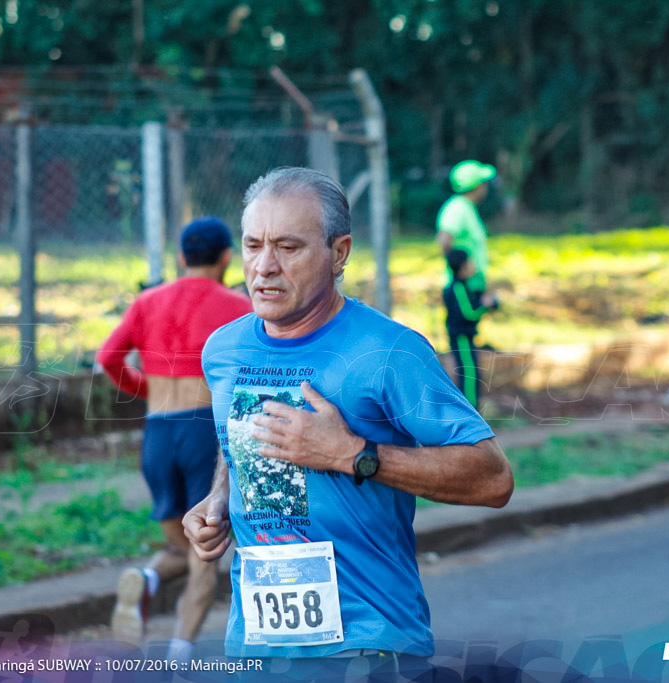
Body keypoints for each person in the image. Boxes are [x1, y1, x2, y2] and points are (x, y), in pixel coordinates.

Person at [183, 167, 514, 671]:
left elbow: (493, 478)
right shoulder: (224, 349)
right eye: (253, 245)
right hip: (256, 645)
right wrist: (220, 498)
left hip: (367, 646)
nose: (264, 267)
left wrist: (352, 455)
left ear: (339, 253)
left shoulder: (388, 351)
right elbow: (239, 445)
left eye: (288, 248)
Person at [97, 216, 252, 653]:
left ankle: (146, 579)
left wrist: (149, 390)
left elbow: (108, 358)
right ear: (226, 257)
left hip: (157, 432)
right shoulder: (239, 307)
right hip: (204, 430)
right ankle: (179, 651)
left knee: (178, 543)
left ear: (182, 257)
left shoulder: (147, 302)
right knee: (205, 550)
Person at [443, 248, 500, 410]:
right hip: (461, 337)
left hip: (467, 336)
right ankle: (471, 413)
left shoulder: (466, 285)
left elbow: (480, 292)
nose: (473, 266)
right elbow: (469, 313)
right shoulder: (456, 288)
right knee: (469, 375)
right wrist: (485, 305)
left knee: (473, 373)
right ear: (462, 267)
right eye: (470, 263)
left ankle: (473, 410)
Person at [435, 159, 497, 293]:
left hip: (472, 285)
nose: (486, 186)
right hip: (461, 288)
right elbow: (444, 240)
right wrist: (462, 267)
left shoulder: (467, 207)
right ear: (477, 186)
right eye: (483, 182)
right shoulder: (457, 208)